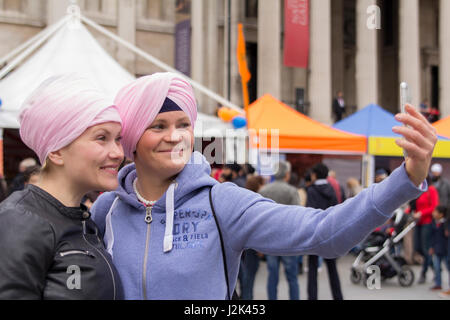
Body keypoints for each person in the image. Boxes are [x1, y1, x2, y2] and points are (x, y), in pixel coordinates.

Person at [90, 72, 436, 300]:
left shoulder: (221, 202)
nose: (175, 136)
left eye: (184, 124)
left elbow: (324, 232)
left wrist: (407, 178)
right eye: (159, 126)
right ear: (133, 138)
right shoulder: (108, 210)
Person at [0, 74, 124, 299]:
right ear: (56, 151)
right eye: (101, 138)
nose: (118, 153)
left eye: (118, 139)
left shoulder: (85, 220)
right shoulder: (20, 220)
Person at [259, 161, 301, 300]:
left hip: (270, 239)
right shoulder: (291, 191)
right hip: (289, 240)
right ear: (287, 174)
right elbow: (297, 215)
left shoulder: (264, 190)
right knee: (292, 278)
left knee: (272, 276)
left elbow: (259, 217)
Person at [306, 163, 343, 300]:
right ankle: (338, 296)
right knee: (332, 269)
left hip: (315, 233)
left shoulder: (311, 190)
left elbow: (309, 212)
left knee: (312, 269)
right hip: (329, 233)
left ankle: (312, 297)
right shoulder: (331, 190)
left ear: (315, 175)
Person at [239, 175, 265, 300]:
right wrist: (260, 249)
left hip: (241, 247)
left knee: (246, 279)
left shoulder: (243, 201)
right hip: (252, 248)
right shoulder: (256, 203)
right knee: (249, 279)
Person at [410, 176, 440, 284]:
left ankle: (424, 273)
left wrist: (421, 213)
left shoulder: (431, 189)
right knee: (418, 248)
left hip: (427, 222)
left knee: (425, 248)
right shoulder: (419, 189)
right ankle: (436, 269)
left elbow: (435, 206)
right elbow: (414, 205)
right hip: (418, 222)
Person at [429, 205, 448, 291]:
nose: (433, 213)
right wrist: (432, 247)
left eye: (435, 212)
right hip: (436, 249)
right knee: (437, 267)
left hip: (446, 249)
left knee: (448, 267)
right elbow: (432, 237)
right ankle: (438, 284)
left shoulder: (446, 224)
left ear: (441, 214)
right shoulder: (434, 223)